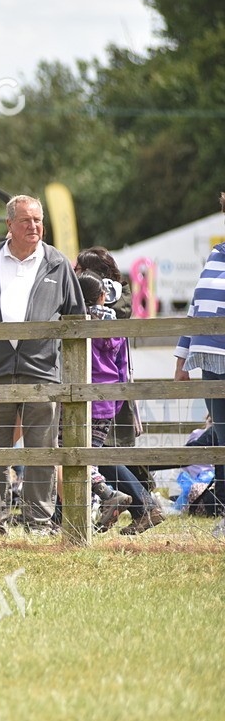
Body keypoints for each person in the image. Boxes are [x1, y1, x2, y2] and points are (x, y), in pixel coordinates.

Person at [0, 194, 85, 535]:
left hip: (42, 374)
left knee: (41, 452)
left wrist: (68, 375)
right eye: (26, 220)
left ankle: (38, 522)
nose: (34, 226)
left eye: (38, 220)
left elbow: (78, 321)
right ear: (9, 224)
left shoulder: (57, 263)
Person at [77, 274, 159, 534]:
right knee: (94, 455)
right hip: (109, 399)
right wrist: (119, 399)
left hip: (83, 398)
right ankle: (107, 505)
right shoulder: (116, 326)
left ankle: (108, 496)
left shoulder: (78, 324)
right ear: (103, 296)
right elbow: (124, 368)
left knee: (76, 455)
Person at [174, 191, 225, 540]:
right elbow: (196, 308)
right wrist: (182, 359)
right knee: (221, 441)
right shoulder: (216, 254)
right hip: (209, 361)